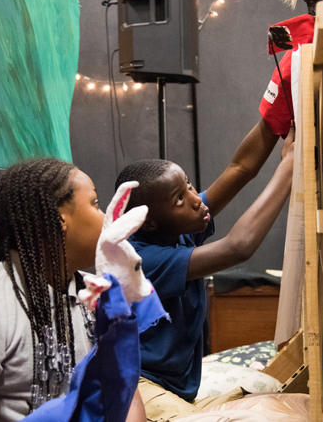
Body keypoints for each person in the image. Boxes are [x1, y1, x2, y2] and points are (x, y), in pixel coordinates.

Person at [0, 158, 146, 422]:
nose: (105, 219)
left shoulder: (102, 295)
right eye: (95, 204)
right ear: (56, 219)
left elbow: (126, 392)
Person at [114, 118, 295, 410]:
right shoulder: (139, 259)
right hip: (138, 389)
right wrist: (289, 167)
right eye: (179, 199)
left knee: (289, 405)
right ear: (149, 223)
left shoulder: (176, 230)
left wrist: (273, 111)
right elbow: (239, 246)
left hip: (176, 393)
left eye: (188, 185)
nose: (195, 199)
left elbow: (240, 169)